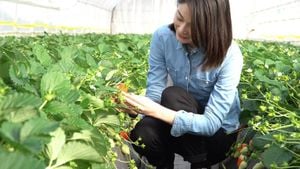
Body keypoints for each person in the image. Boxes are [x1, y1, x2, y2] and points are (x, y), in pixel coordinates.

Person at [123, 0, 243, 168]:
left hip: (216, 137)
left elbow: (211, 123)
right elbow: (155, 89)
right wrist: (137, 109)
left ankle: (200, 164)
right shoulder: (163, 36)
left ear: (212, 27)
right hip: (180, 127)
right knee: (143, 133)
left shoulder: (230, 54)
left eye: (194, 26)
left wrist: (154, 109)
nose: (182, 29)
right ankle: (163, 165)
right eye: (179, 17)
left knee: (172, 96)